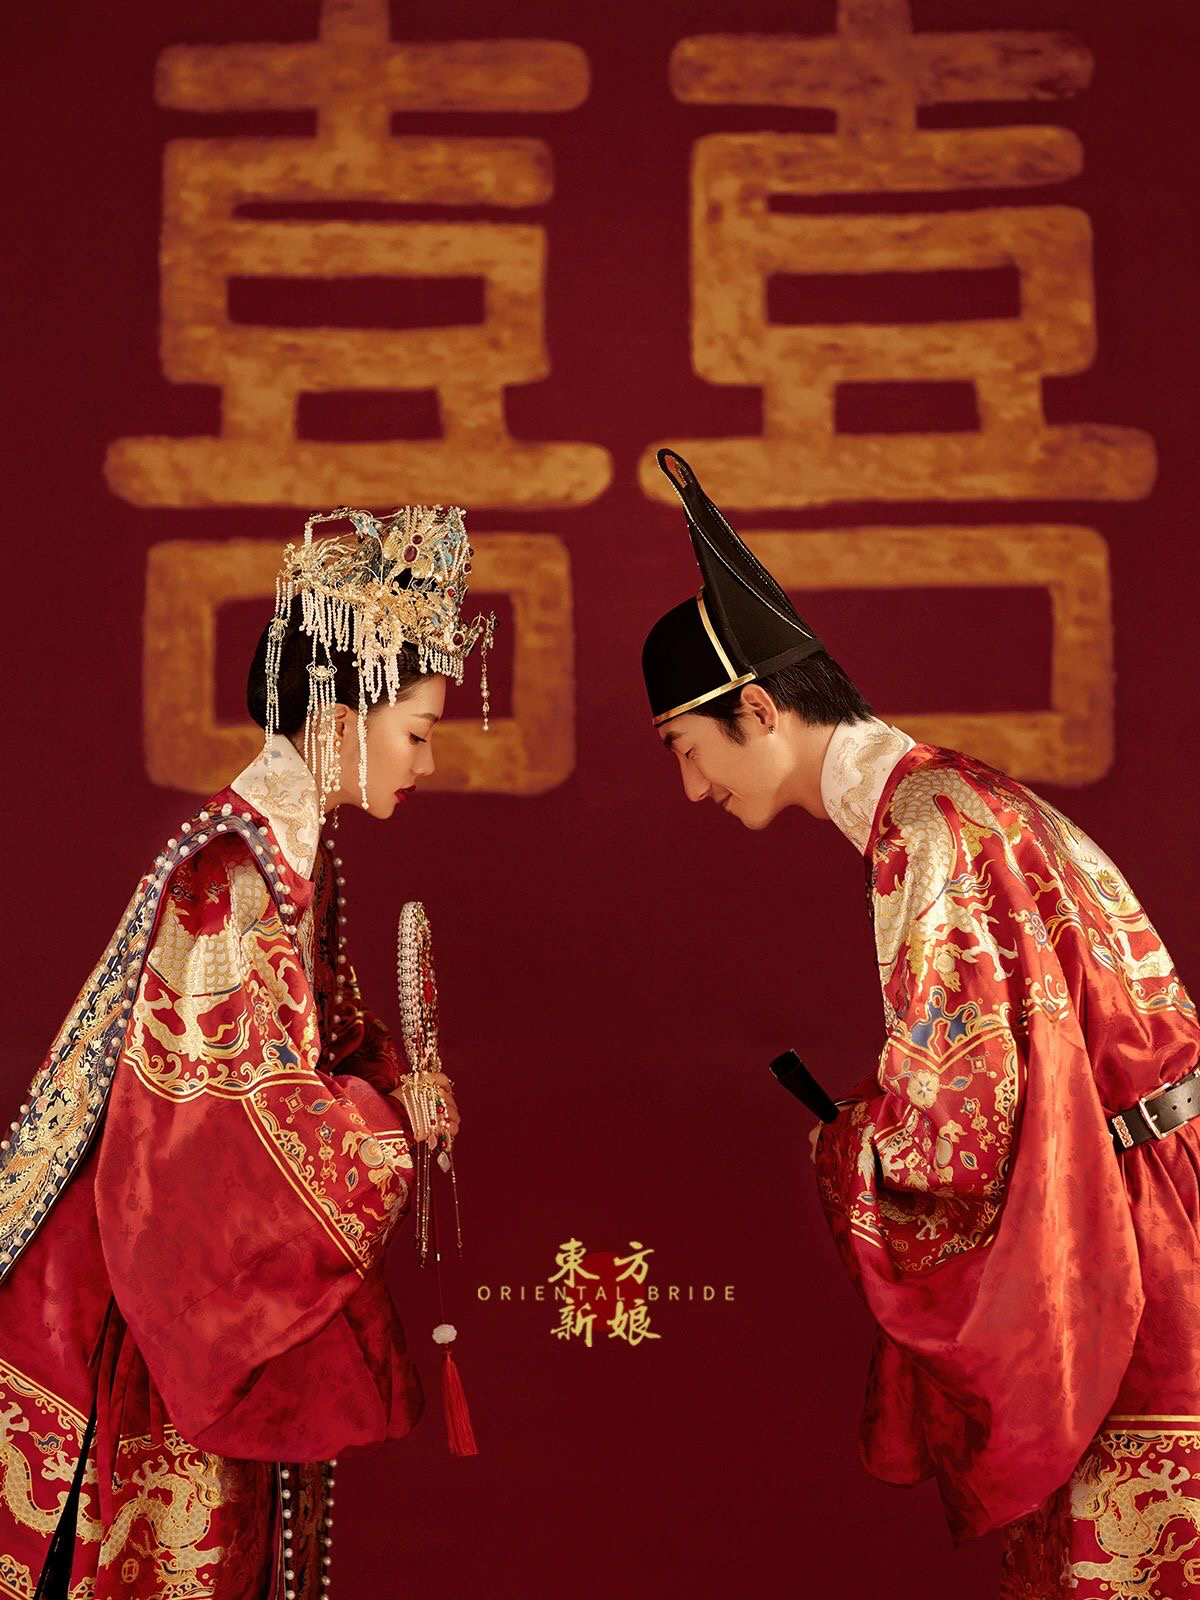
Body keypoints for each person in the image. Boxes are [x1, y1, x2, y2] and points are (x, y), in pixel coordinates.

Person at [640, 450, 1200, 1598]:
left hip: (1137, 1243)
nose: (693, 789)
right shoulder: (962, 793)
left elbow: (956, 1133)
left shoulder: (927, 828)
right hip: (1160, 1187)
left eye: (688, 751)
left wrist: (846, 1150)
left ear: (760, 709)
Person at [0, 503, 494, 1598]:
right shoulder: (229, 876)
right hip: (146, 1297)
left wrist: (394, 1085)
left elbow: (318, 1044)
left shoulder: (292, 858)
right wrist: (388, 1124)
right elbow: (225, 1131)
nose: (428, 759)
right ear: (338, 718)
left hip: (180, 1284)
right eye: (417, 731)